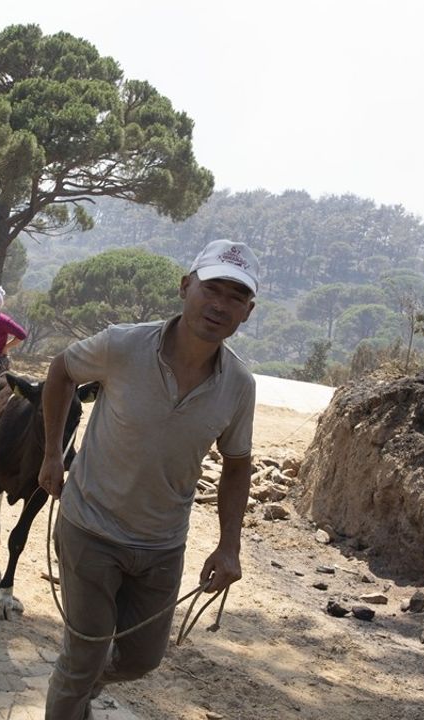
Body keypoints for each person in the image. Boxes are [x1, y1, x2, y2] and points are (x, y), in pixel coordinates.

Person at [37, 239, 259, 719]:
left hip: (161, 545)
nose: (220, 304)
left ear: (248, 311)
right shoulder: (123, 345)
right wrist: (52, 454)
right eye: (212, 288)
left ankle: (77, 688)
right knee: (85, 653)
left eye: (235, 296)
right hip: (90, 528)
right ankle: (74, 690)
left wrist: (229, 546)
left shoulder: (240, 385)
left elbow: (237, 463)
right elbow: (61, 372)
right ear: (186, 287)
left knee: (141, 659)